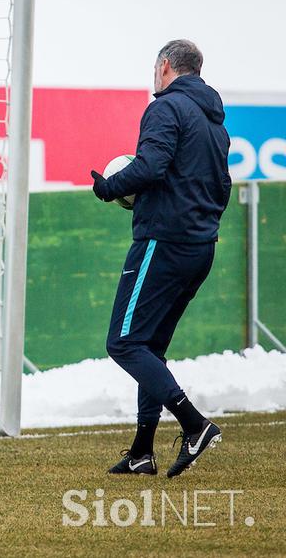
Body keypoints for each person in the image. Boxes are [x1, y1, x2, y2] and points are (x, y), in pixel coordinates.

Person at [90, 39, 231, 478]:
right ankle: (141, 453)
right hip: (199, 247)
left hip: (163, 243)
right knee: (150, 347)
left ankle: (194, 424)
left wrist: (110, 187)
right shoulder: (215, 124)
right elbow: (221, 187)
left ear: (165, 66)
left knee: (124, 343)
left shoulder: (166, 108)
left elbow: (149, 167)